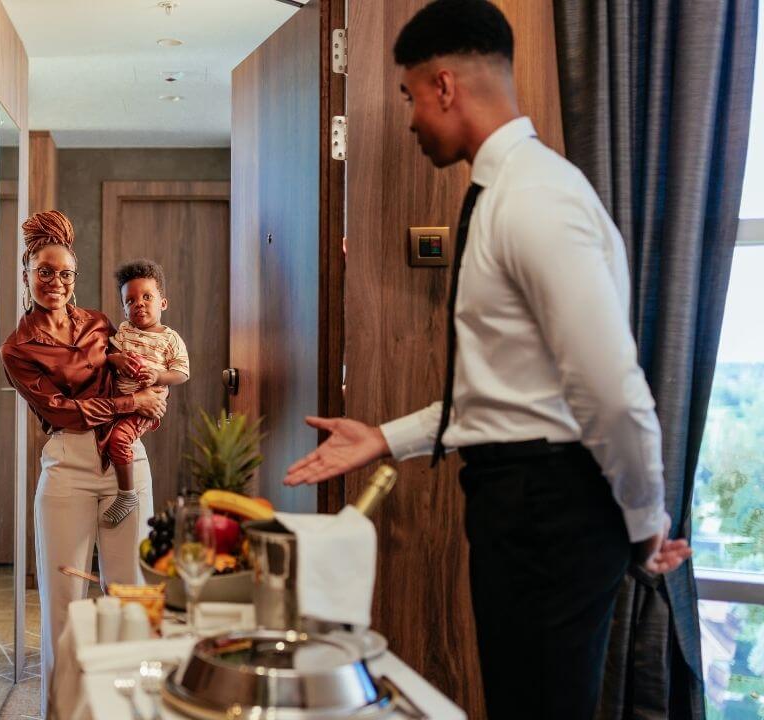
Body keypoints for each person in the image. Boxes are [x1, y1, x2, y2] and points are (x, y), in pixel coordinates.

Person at [281, 2, 692, 718]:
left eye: (410, 96)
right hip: (521, 500)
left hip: (549, 506)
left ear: (445, 86)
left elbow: (610, 390)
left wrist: (645, 514)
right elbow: (505, 389)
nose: (409, 119)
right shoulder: (503, 195)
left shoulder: (536, 199)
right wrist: (385, 438)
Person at [0, 210, 168, 715]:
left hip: (126, 464)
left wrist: (151, 395)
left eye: (66, 273)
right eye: (45, 272)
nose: (56, 282)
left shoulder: (99, 322)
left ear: (75, 278)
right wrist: (130, 405)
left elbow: (133, 372)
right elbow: (60, 411)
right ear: (27, 273)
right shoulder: (17, 348)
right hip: (67, 469)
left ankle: (131, 708)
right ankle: (64, 712)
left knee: (134, 593)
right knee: (65, 604)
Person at [99, 259, 190, 527]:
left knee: (118, 439)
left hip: (144, 407)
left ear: (163, 303)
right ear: (124, 309)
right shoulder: (125, 331)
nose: (138, 303)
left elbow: (182, 373)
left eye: (147, 297)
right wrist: (116, 360)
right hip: (119, 399)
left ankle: (127, 495)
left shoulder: (169, 339)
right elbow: (110, 353)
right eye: (130, 300)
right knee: (102, 434)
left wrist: (159, 376)